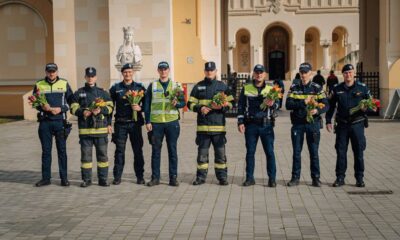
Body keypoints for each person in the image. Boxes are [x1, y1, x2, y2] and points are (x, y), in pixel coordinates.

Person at [187, 61, 234, 186]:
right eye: (207, 70)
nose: (209, 72)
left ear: (216, 71)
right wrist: (200, 108)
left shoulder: (222, 86)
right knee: (202, 156)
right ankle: (201, 178)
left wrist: (222, 107)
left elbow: (231, 103)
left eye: (212, 70)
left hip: (219, 128)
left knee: (220, 156)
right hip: (203, 129)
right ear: (204, 71)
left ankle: (222, 178)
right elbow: (189, 104)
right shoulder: (198, 87)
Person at [326, 64, 372, 188]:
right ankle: (340, 177)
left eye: (350, 72)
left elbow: (372, 106)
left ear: (354, 73)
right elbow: (330, 106)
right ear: (343, 74)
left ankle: (359, 178)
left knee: (358, 152)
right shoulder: (337, 89)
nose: (348, 75)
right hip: (342, 125)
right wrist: (328, 121)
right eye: (346, 73)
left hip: (357, 124)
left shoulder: (362, 88)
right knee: (341, 152)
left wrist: (365, 108)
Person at [286, 63, 329, 187]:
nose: (303, 75)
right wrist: (302, 102)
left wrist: (318, 111)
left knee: (314, 152)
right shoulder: (294, 87)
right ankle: (295, 178)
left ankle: (316, 178)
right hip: (298, 124)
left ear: (311, 73)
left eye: (306, 72)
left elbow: (326, 104)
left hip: (313, 124)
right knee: (296, 152)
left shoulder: (317, 88)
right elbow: (288, 104)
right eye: (302, 72)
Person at [143, 61, 186, 187]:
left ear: (169, 70)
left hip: (172, 123)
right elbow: (147, 104)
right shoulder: (153, 85)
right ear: (158, 71)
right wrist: (147, 121)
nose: (163, 71)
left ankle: (173, 178)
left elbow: (184, 103)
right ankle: (155, 178)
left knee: (172, 151)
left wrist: (177, 104)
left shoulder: (176, 85)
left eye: (165, 69)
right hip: (156, 124)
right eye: (161, 69)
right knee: (155, 151)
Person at [70, 67, 114, 187]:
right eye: (88, 76)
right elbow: (73, 108)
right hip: (85, 132)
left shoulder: (102, 92)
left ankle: (103, 179)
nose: (90, 78)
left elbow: (110, 108)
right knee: (86, 158)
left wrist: (100, 110)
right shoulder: (79, 93)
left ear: (96, 77)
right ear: (85, 77)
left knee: (103, 157)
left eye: (93, 76)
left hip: (101, 131)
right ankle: (87, 180)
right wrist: (82, 112)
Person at [237, 64, 278, 187]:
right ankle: (250, 178)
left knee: (270, 152)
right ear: (254, 74)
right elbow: (241, 106)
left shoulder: (272, 89)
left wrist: (272, 104)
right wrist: (240, 122)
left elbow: (278, 106)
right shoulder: (246, 88)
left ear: (265, 74)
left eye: (261, 72)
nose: (259, 75)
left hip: (267, 125)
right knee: (250, 152)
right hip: (251, 126)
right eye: (257, 72)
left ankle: (272, 179)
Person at [33, 63, 73, 187]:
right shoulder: (39, 84)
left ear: (57, 72)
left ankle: (64, 178)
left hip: (60, 122)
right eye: (49, 71)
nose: (51, 73)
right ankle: (46, 178)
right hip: (45, 122)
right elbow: (34, 103)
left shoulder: (64, 83)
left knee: (62, 151)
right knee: (46, 152)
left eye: (53, 71)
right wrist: (42, 106)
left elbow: (72, 102)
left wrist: (61, 109)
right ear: (45, 72)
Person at [109, 63, 146, 185]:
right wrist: (108, 124)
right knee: (119, 151)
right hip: (120, 124)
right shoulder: (116, 88)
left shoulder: (139, 88)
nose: (127, 74)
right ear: (122, 73)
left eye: (130, 72)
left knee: (138, 151)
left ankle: (140, 176)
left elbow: (147, 105)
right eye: (125, 72)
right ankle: (117, 176)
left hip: (135, 124)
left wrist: (140, 108)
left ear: (133, 73)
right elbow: (110, 107)